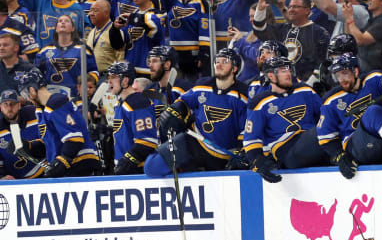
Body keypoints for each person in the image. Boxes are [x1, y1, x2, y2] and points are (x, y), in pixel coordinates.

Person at [144, 48, 248, 177]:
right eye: (217, 61)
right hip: (194, 141)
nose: (219, 65)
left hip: (224, 154)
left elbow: (247, 129)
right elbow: (184, 101)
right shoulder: (202, 85)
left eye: (225, 61)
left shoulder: (243, 95)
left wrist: (242, 151)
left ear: (235, 68)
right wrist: (174, 112)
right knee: (152, 166)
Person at [317, 53, 382, 180]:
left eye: (345, 73)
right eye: (338, 75)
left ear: (356, 71)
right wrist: (339, 156)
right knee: (373, 112)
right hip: (358, 148)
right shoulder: (331, 100)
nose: (341, 79)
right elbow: (325, 138)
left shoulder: (373, 79)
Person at [243, 56, 328, 182]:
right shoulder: (260, 102)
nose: (288, 74)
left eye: (289, 70)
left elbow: (323, 117)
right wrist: (258, 162)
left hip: (311, 145)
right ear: (271, 76)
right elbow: (251, 138)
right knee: (328, 130)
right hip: (287, 151)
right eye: (283, 71)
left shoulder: (305, 90)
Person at [18, 68, 101, 177]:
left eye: (25, 94)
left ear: (32, 90)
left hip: (81, 163)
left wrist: (62, 162)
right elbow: (50, 142)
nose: (27, 99)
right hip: (71, 166)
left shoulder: (56, 103)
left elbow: (75, 138)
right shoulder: (42, 110)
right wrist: (29, 146)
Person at [253, 0, 329, 81]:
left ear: (307, 11)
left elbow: (323, 62)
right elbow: (260, 30)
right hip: (281, 82)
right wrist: (260, 9)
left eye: (296, 7)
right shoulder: (282, 29)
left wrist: (311, 82)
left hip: (307, 84)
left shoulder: (320, 33)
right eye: (290, 7)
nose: (291, 10)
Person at [158, 0, 210, 79]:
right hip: (173, 55)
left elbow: (204, 30)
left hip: (192, 57)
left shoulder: (202, 2)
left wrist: (203, 54)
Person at [107, 61, 158, 175]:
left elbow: (147, 141)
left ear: (125, 80)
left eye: (114, 77)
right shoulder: (119, 103)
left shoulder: (138, 102)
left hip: (139, 170)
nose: (109, 81)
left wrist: (127, 161)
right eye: (108, 77)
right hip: (125, 169)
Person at [109, 0, 166, 76]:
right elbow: (118, 45)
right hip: (130, 71)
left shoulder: (159, 15)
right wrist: (115, 28)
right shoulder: (131, 16)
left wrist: (133, 18)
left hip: (149, 71)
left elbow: (154, 25)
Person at [35, 14, 99, 97]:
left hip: (76, 96)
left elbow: (93, 72)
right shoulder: (45, 50)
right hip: (50, 97)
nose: (63, 23)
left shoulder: (83, 49)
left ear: (73, 28)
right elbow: (36, 72)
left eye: (67, 21)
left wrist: (87, 86)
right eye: (60, 21)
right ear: (56, 28)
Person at [343, 0, 382, 72]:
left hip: (374, 73)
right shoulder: (372, 20)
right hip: (364, 70)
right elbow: (350, 38)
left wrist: (350, 19)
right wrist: (348, 16)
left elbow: (361, 40)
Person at [0, 89, 45, 179]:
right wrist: (2, 176)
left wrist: (30, 146)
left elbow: (49, 141)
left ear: (19, 105)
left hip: (44, 173)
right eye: (5, 104)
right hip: (17, 183)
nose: (9, 108)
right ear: (0, 107)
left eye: (13, 104)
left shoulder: (34, 114)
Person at [87, 0, 124, 74]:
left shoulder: (116, 32)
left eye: (95, 11)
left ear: (106, 13)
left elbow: (120, 60)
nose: (91, 14)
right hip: (92, 76)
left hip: (107, 77)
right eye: (90, 10)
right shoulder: (91, 32)